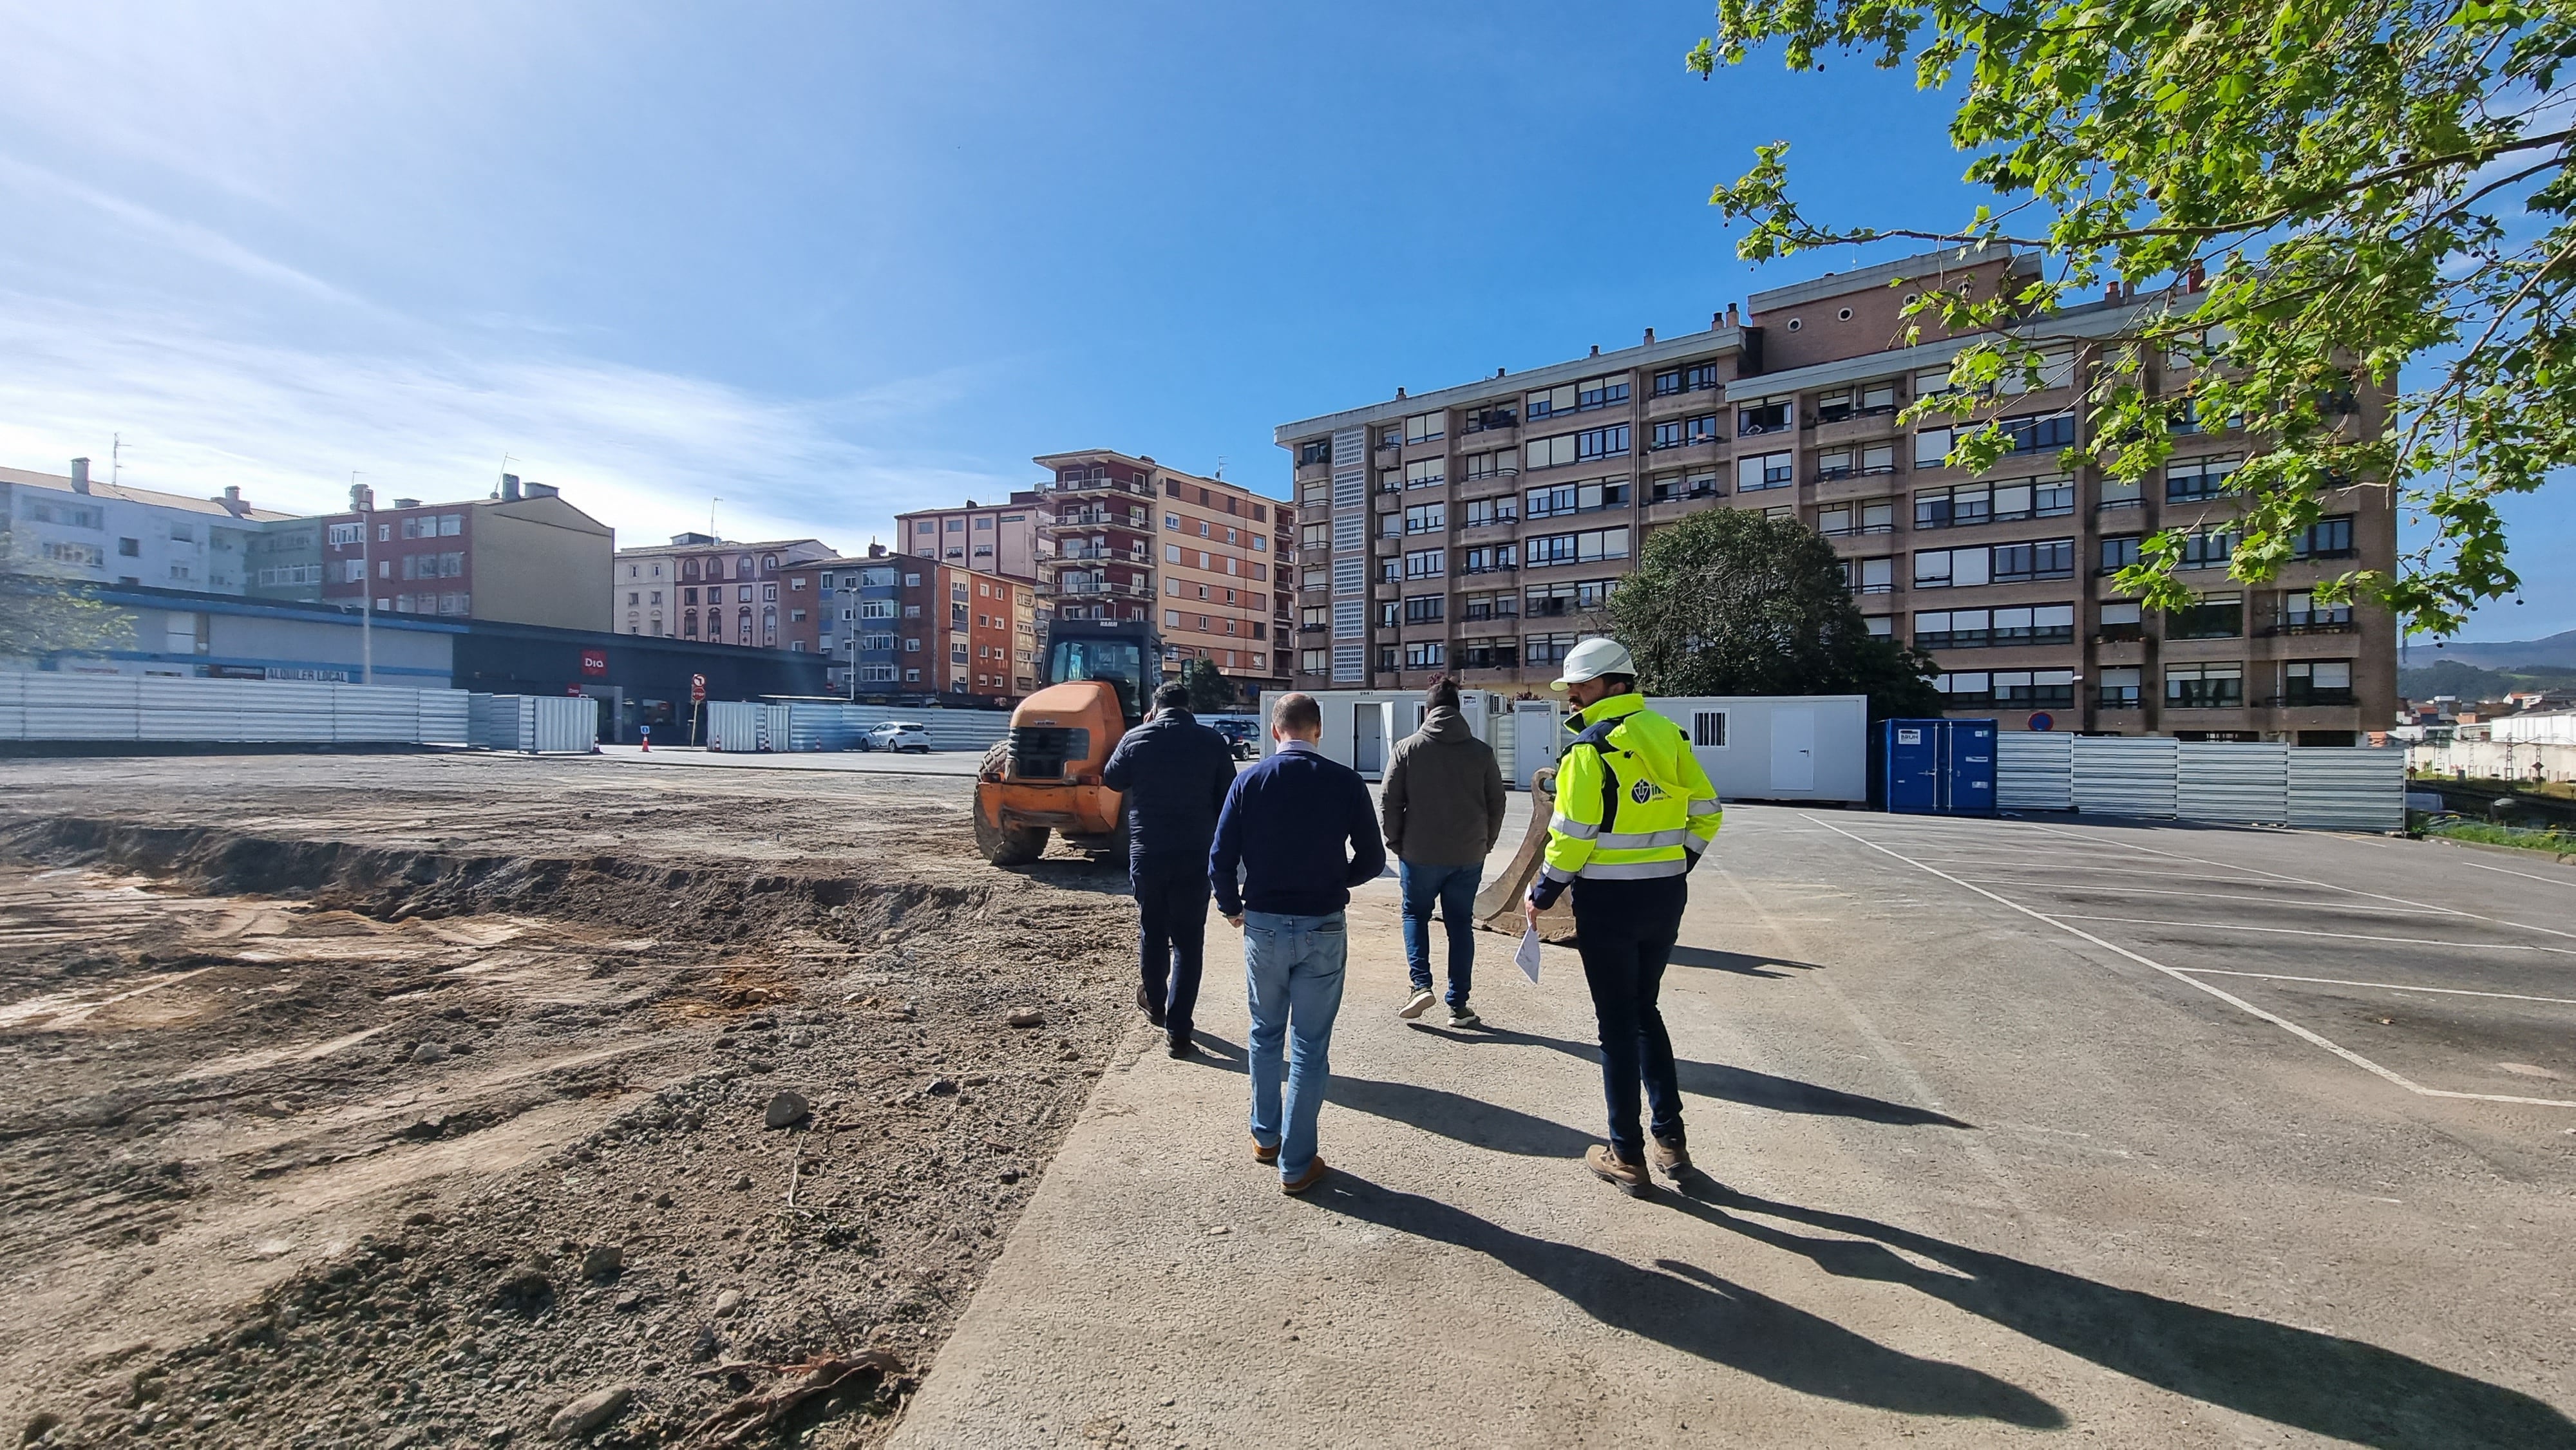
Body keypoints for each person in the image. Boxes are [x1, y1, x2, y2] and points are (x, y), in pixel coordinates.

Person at [1523, 637, 1721, 1196]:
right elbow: (1708, 812)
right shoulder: (1669, 735)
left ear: (1614, 684)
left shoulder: (1588, 749)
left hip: (1609, 903)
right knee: (1644, 1013)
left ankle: (1626, 1155)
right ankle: (1671, 1141)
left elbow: (1571, 834)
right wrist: (1675, 864)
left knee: (1616, 1026)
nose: (1574, 699)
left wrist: (1543, 891)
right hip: (1664, 898)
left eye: (1580, 688)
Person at [1209, 692, 1384, 1194]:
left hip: (1262, 923)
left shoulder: (1249, 781)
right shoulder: (1345, 782)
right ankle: (1297, 1162)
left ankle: (1265, 1136)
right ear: (1319, 730)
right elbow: (1372, 859)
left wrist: (1230, 905)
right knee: (1310, 1046)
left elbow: (1220, 856)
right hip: (1322, 924)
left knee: (1265, 1033)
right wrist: (1335, 881)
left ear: (1274, 730)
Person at [1103, 681, 1240, 1058]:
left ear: (1156, 707)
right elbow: (1230, 794)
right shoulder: (1211, 742)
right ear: (1189, 707)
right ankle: (1179, 1031)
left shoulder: (1136, 738)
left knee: (1152, 928)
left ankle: (1155, 1003)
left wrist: (1144, 730)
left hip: (1148, 852)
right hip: (1195, 854)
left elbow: (1112, 779)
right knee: (1188, 941)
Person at [1379, 674, 1506, 1028]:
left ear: (1428, 709)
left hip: (1418, 854)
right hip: (1468, 855)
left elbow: (1390, 800)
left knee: (1415, 916)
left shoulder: (1407, 748)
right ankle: (1459, 1005)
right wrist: (1486, 842)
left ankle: (1420, 985)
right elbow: (1497, 802)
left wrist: (1397, 843)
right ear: (1459, 709)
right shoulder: (1481, 752)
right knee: (1460, 925)